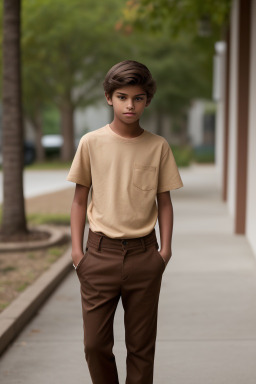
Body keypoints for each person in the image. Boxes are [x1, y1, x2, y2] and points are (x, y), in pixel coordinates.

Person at [66, 59, 183, 384]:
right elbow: (79, 200)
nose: (130, 105)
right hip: (99, 256)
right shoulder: (91, 142)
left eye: (138, 98)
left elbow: (164, 202)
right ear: (108, 97)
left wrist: (165, 252)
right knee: (94, 345)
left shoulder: (158, 146)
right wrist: (77, 254)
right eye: (122, 97)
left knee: (142, 348)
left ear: (147, 100)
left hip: (145, 257)